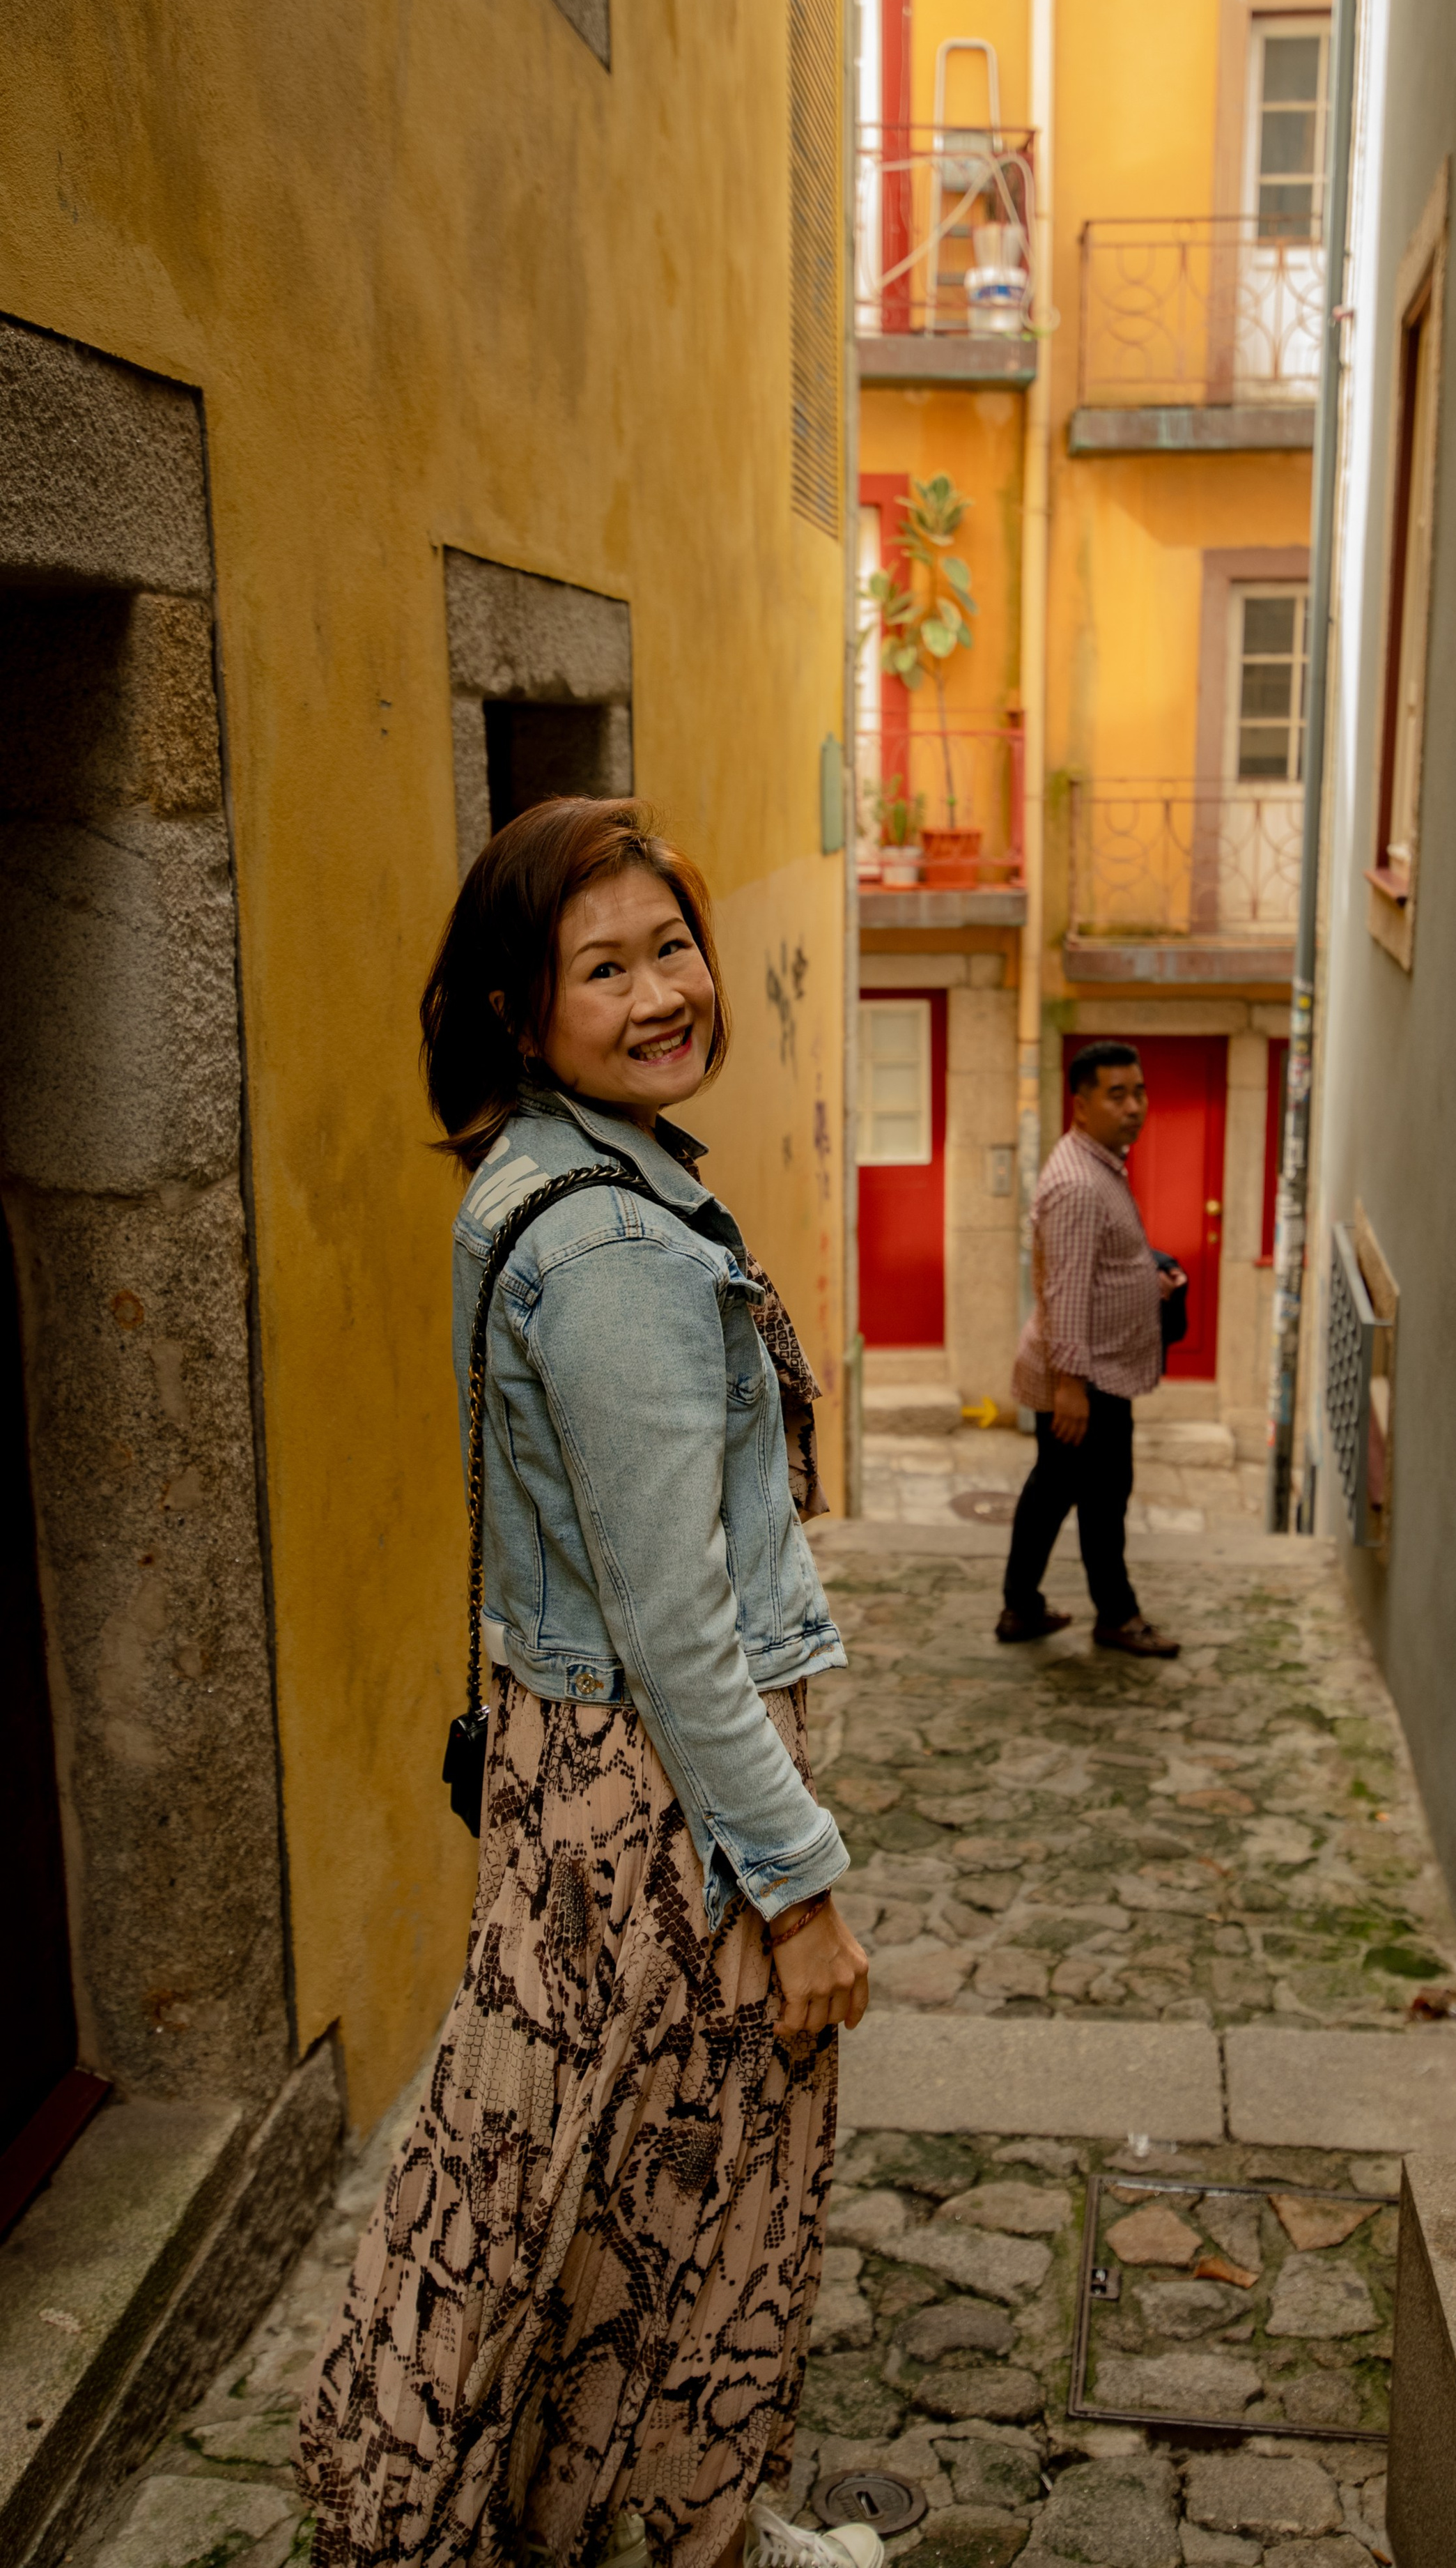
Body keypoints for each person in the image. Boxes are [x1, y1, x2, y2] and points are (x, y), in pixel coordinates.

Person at [299, 799, 877, 2568]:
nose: (659, 993)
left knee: (603, 2189)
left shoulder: (543, 1172)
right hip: (663, 1801)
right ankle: (698, 2529)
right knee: (723, 2188)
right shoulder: (616, 1248)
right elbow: (678, 1632)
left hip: (580, 1771)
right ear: (515, 1008)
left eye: (671, 944)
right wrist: (797, 1890)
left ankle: (616, 2510)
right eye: (602, 965)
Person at [999, 1038, 1184, 1658]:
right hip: (1086, 1381)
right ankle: (1117, 1615)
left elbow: (1094, 1268)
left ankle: (1020, 1608)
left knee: (1052, 1490)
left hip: (1094, 1373)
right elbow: (1067, 1289)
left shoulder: (1097, 1160)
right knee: (1102, 1500)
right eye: (1118, 1094)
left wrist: (1145, 1279)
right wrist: (1071, 1387)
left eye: (1139, 1092)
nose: (1135, 1106)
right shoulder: (1080, 1183)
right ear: (1082, 1104)